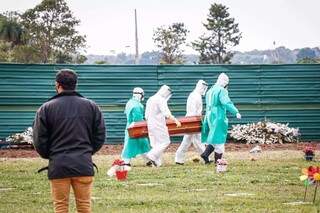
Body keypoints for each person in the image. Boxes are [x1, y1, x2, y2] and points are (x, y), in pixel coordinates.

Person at [33, 69, 105, 213]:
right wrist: (87, 152)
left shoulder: (46, 108)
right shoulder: (91, 106)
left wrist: (52, 155)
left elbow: (39, 140)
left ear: (57, 85)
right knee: (84, 206)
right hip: (83, 164)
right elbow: (100, 136)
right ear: (75, 84)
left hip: (58, 165)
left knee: (60, 207)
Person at [200, 73, 241, 164]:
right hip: (218, 116)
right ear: (225, 82)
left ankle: (206, 154)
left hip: (209, 116)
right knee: (219, 139)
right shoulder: (221, 90)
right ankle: (218, 162)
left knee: (214, 137)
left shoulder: (210, 90)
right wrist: (236, 111)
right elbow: (226, 102)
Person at [145, 85, 181, 167]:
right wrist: (176, 120)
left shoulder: (151, 99)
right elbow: (166, 113)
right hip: (159, 124)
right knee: (165, 141)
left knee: (156, 144)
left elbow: (146, 115)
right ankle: (152, 156)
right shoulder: (160, 100)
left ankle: (157, 163)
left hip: (150, 124)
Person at [175, 80, 208, 165]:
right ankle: (179, 158)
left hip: (193, 120)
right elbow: (193, 111)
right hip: (192, 120)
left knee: (197, 140)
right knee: (188, 140)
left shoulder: (194, 95)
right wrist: (195, 121)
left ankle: (205, 156)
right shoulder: (195, 96)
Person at [121, 87, 151, 166]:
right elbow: (138, 119)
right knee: (138, 144)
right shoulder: (137, 106)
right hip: (136, 127)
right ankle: (126, 162)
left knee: (142, 144)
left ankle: (148, 160)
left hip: (130, 126)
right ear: (140, 95)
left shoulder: (130, 102)